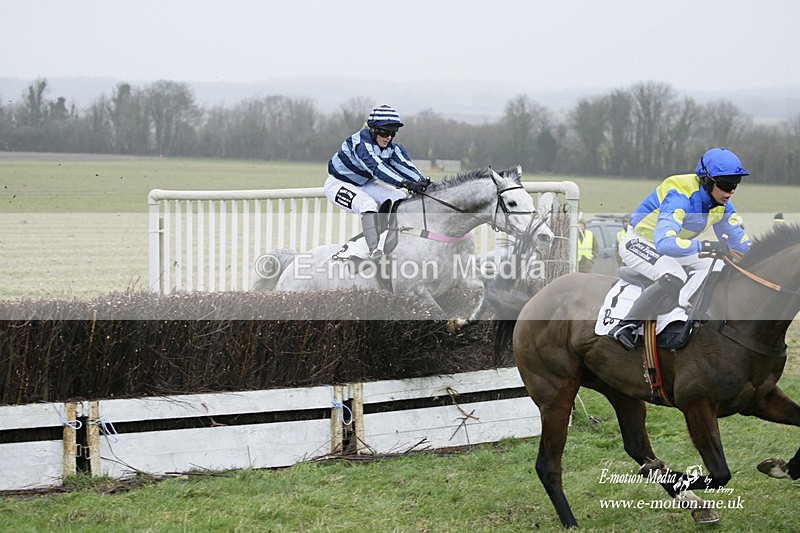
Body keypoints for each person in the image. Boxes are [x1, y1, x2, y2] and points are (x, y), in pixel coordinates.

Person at [608, 147, 751, 350]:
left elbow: (742, 245)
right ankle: (627, 325)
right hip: (639, 242)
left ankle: (685, 312)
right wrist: (707, 245)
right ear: (707, 180)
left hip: (669, 247)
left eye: (735, 185)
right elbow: (665, 243)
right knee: (674, 274)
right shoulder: (678, 193)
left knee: (717, 265)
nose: (732, 191)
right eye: (727, 185)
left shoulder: (722, 204)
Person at [324, 104, 430, 259]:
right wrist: (406, 183)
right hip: (338, 184)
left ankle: (391, 241)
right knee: (367, 204)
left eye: (393, 133)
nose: (388, 137)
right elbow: (378, 169)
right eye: (385, 132)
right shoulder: (360, 144)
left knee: (399, 198)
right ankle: (374, 250)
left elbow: (407, 166)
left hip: (364, 184)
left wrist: (424, 183)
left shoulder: (393, 148)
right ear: (373, 129)